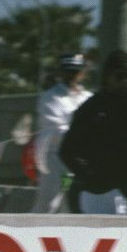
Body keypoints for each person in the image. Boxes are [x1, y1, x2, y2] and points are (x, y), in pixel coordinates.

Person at [59, 52, 127, 215]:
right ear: (107, 75)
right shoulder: (91, 107)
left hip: (122, 194)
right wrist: (91, 176)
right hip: (95, 194)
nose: (125, 81)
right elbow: (66, 151)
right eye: (120, 76)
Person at [31, 53, 92, 214]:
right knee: (48, 204)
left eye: (76, 71)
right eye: (68, 71)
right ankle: (31, 229)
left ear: (83, 73)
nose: (72, 75)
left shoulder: (88, 97)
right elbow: (55, 128)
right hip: (55, 161)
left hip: (77, 162)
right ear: (61, 72)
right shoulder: (50, 97)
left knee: (69, 206)